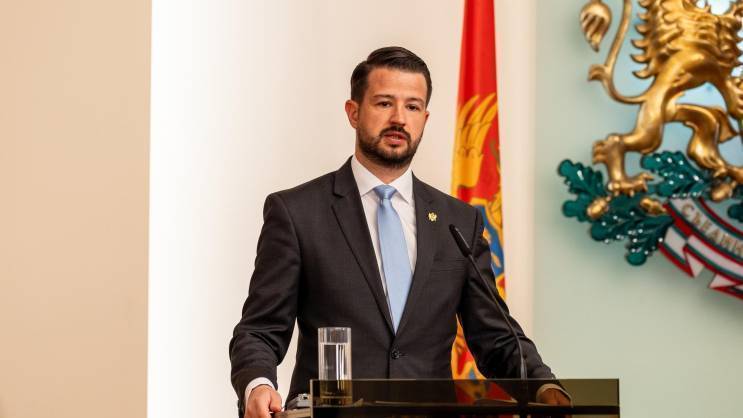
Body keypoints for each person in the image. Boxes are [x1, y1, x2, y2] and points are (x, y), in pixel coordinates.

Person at [229, 46, 570, 418]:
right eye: (384, 103)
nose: (399, 119)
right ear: (353, 112)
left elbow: (496, 336)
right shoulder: (298, 213)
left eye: (412, 107)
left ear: (425, 118)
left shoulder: (459, 221)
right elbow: (260, 329)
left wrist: (544, 386)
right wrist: (258, 384)